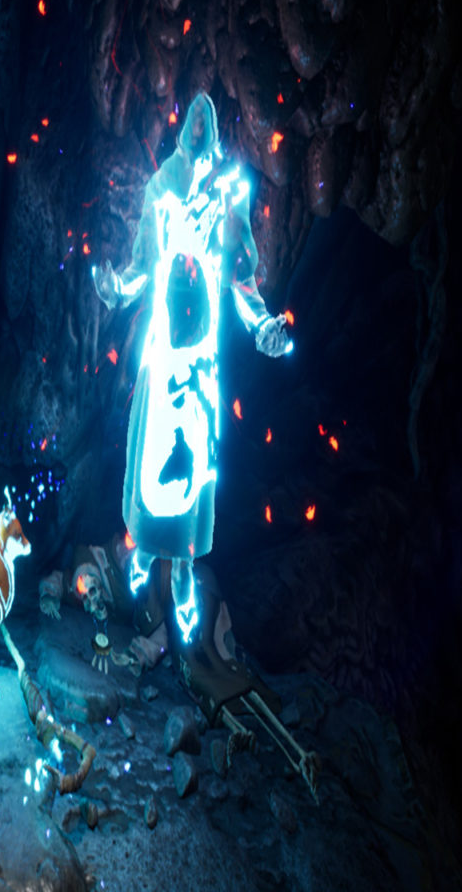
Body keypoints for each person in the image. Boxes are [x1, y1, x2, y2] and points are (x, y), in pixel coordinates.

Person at [92, 92, 290, 647]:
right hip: (164, 353)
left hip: (200, 360)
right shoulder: (161, 188)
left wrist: (262, 325)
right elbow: (141, 263)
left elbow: (242, 278)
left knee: (194, 470)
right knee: (154, 461)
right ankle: (144, 549)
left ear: (216, 133)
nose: (199, 133)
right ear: (184, 134)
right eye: (193, 124)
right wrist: (116, 289)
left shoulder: (229, 192)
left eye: (207, 124)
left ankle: (181, 570)